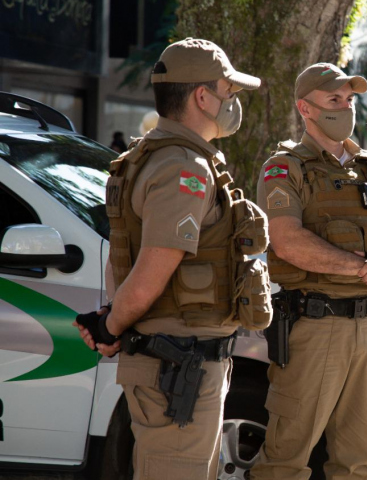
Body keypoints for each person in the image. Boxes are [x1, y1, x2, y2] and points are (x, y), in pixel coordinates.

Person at [73, 38, 267, 480]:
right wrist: (112, 327)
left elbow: (122, 257)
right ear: (203, 96)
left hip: (176, 363)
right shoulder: (185, 168)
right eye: (229, 91)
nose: (233, 102)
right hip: (178, 368)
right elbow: (148, 275)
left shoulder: (144, 159)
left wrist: (113, 319)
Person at [252, 62, 367, 480]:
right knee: (285, 458)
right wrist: (363, 267)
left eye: (349, 99)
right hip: (316, 325)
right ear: (305, 108)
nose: (345, 108)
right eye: (334, 99)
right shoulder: (285, 167)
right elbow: (287, 240)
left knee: (358, 458)